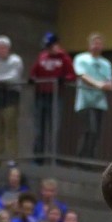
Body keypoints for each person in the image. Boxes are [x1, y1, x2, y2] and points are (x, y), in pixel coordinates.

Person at [29, 33, 76, 161]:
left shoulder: (64, 58)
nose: (48, 49)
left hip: (55, 96)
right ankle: (38, 157)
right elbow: (33, 72)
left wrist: (62, 79)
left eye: (50, 46)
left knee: (54, 128)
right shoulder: (42, 56)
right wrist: (32, 79)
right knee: (39, 128)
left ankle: (53, 158)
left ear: (56, 45)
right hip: (41, 96)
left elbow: (72, 75)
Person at [73, 33, 112, 161]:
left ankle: (90, 161)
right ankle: (81, 160)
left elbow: (109, 81)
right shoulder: (81, 58)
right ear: (89, 45)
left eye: (99, 43)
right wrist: (99, 85)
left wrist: (109, 85)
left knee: (96, 134)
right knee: (89, 130)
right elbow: (82, 76)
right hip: (85, 102)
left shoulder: (106, 63)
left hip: (100, 103)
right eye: (94, 43)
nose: (97, 46)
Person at [0, 35, 24, 165]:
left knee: (10, 130)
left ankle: (12, 158)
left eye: (3, 47)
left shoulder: (16, 60)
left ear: (8, 48)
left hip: (10, 96)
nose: (1, 50)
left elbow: (12, 78)